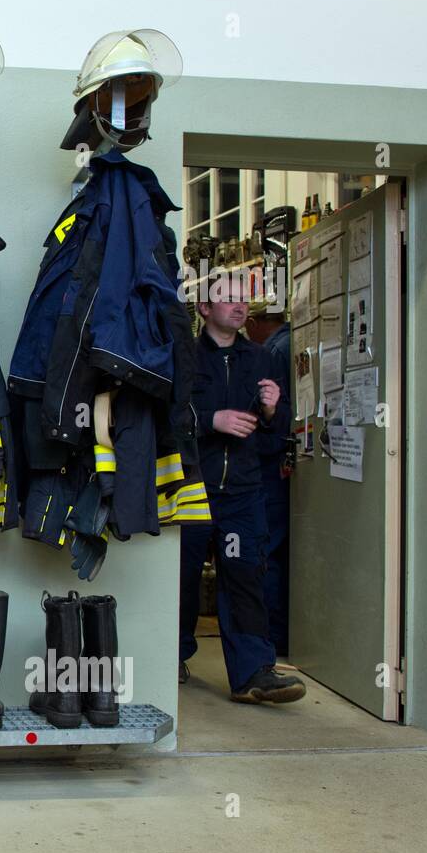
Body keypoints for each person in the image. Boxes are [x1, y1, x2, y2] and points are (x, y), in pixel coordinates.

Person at [179, 278, 306, 703]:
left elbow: (277, 432)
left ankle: (253, 673)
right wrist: (209, 421)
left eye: (242, 299)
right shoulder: (185, 358)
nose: (238, 306)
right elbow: (165, 420)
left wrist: (272, 410)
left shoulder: (261, 359)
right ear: (203, 308)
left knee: (245, 577)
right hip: (191, 487)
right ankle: (172, 656)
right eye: (226, 298)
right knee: (181, 578)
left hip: (243, 491)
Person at [249, 309, 293, 656]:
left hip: (269, 467)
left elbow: (274, 424)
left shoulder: (272, 353)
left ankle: (273, 636)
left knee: (267, 555)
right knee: (272, 553)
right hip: (278, 466)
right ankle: (279, 636)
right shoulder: (289, 344)